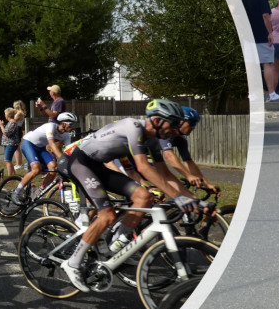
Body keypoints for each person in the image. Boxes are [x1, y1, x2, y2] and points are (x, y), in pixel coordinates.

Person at [58, 99, 200, 292]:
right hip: (80, 163)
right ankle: (73, 263)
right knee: (107, 215)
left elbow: (165, 174)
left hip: (99, 167)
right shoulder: (133, 127)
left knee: (144, 197)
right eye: (173, 123)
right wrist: (178, 197)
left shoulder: (153, 140)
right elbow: (142, 167)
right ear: (157, 120)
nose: (175, 128)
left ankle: (115, 245)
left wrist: (192, 200)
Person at [11, 111, 78, 204]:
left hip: (40, 148)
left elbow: (68, 150)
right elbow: (51, 143)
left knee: (54, 168)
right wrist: (63, 160)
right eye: (72, 124)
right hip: (29, 143)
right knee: (36, 169)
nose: (74, 126)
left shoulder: (66, 135)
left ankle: (39, 191)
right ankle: (16, 192)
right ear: (63, 123)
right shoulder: (50, 126)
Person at [160, 106, 219, 195]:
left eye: (195, 124)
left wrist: (207, 184)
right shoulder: (165, 132)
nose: (193, 127)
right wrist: (188, 176)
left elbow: (188, 162)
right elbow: (168, 155)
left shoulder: (180, 139)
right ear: (180, 121)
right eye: (191, 123)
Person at [241, 0, 277, 98]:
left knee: (251, 65)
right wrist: (270, 32)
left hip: (247, 36)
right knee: (266, 63)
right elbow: (266, 16)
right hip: (262, 35)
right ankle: (271, 93)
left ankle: (253, 93)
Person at [0, 107, 25, 177]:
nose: (4, 115)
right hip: (9, 144)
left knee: (7, 161)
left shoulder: (12, 122)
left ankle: (10, 177)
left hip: (10, 144)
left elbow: (7, 133)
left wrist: (1, 125)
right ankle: (13, 175)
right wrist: (3, 125)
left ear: (8, 115)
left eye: (5, 114)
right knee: (8, 160)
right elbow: (8, 131)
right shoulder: (11, 122)